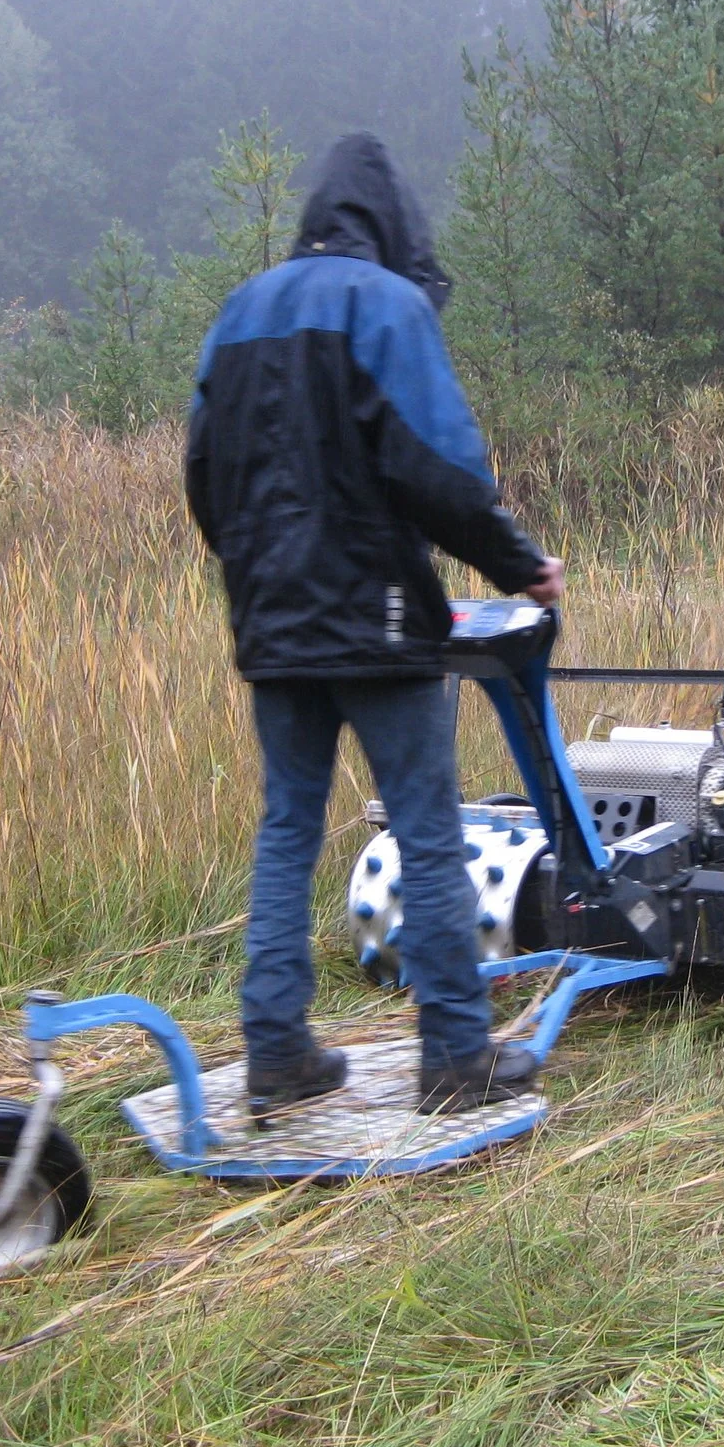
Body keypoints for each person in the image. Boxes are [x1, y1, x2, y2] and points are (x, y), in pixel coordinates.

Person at [186, 133, 565, 1122]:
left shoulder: (239, 312)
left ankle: (275, 1054)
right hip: (378, 617)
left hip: (271, 624)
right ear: (391, 226)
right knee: (429, 833)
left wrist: (258, 571)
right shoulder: (385, 305)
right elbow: (437, 467)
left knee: (286, 829)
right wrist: (520, 567)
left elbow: (202, 475)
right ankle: (454, 1056)